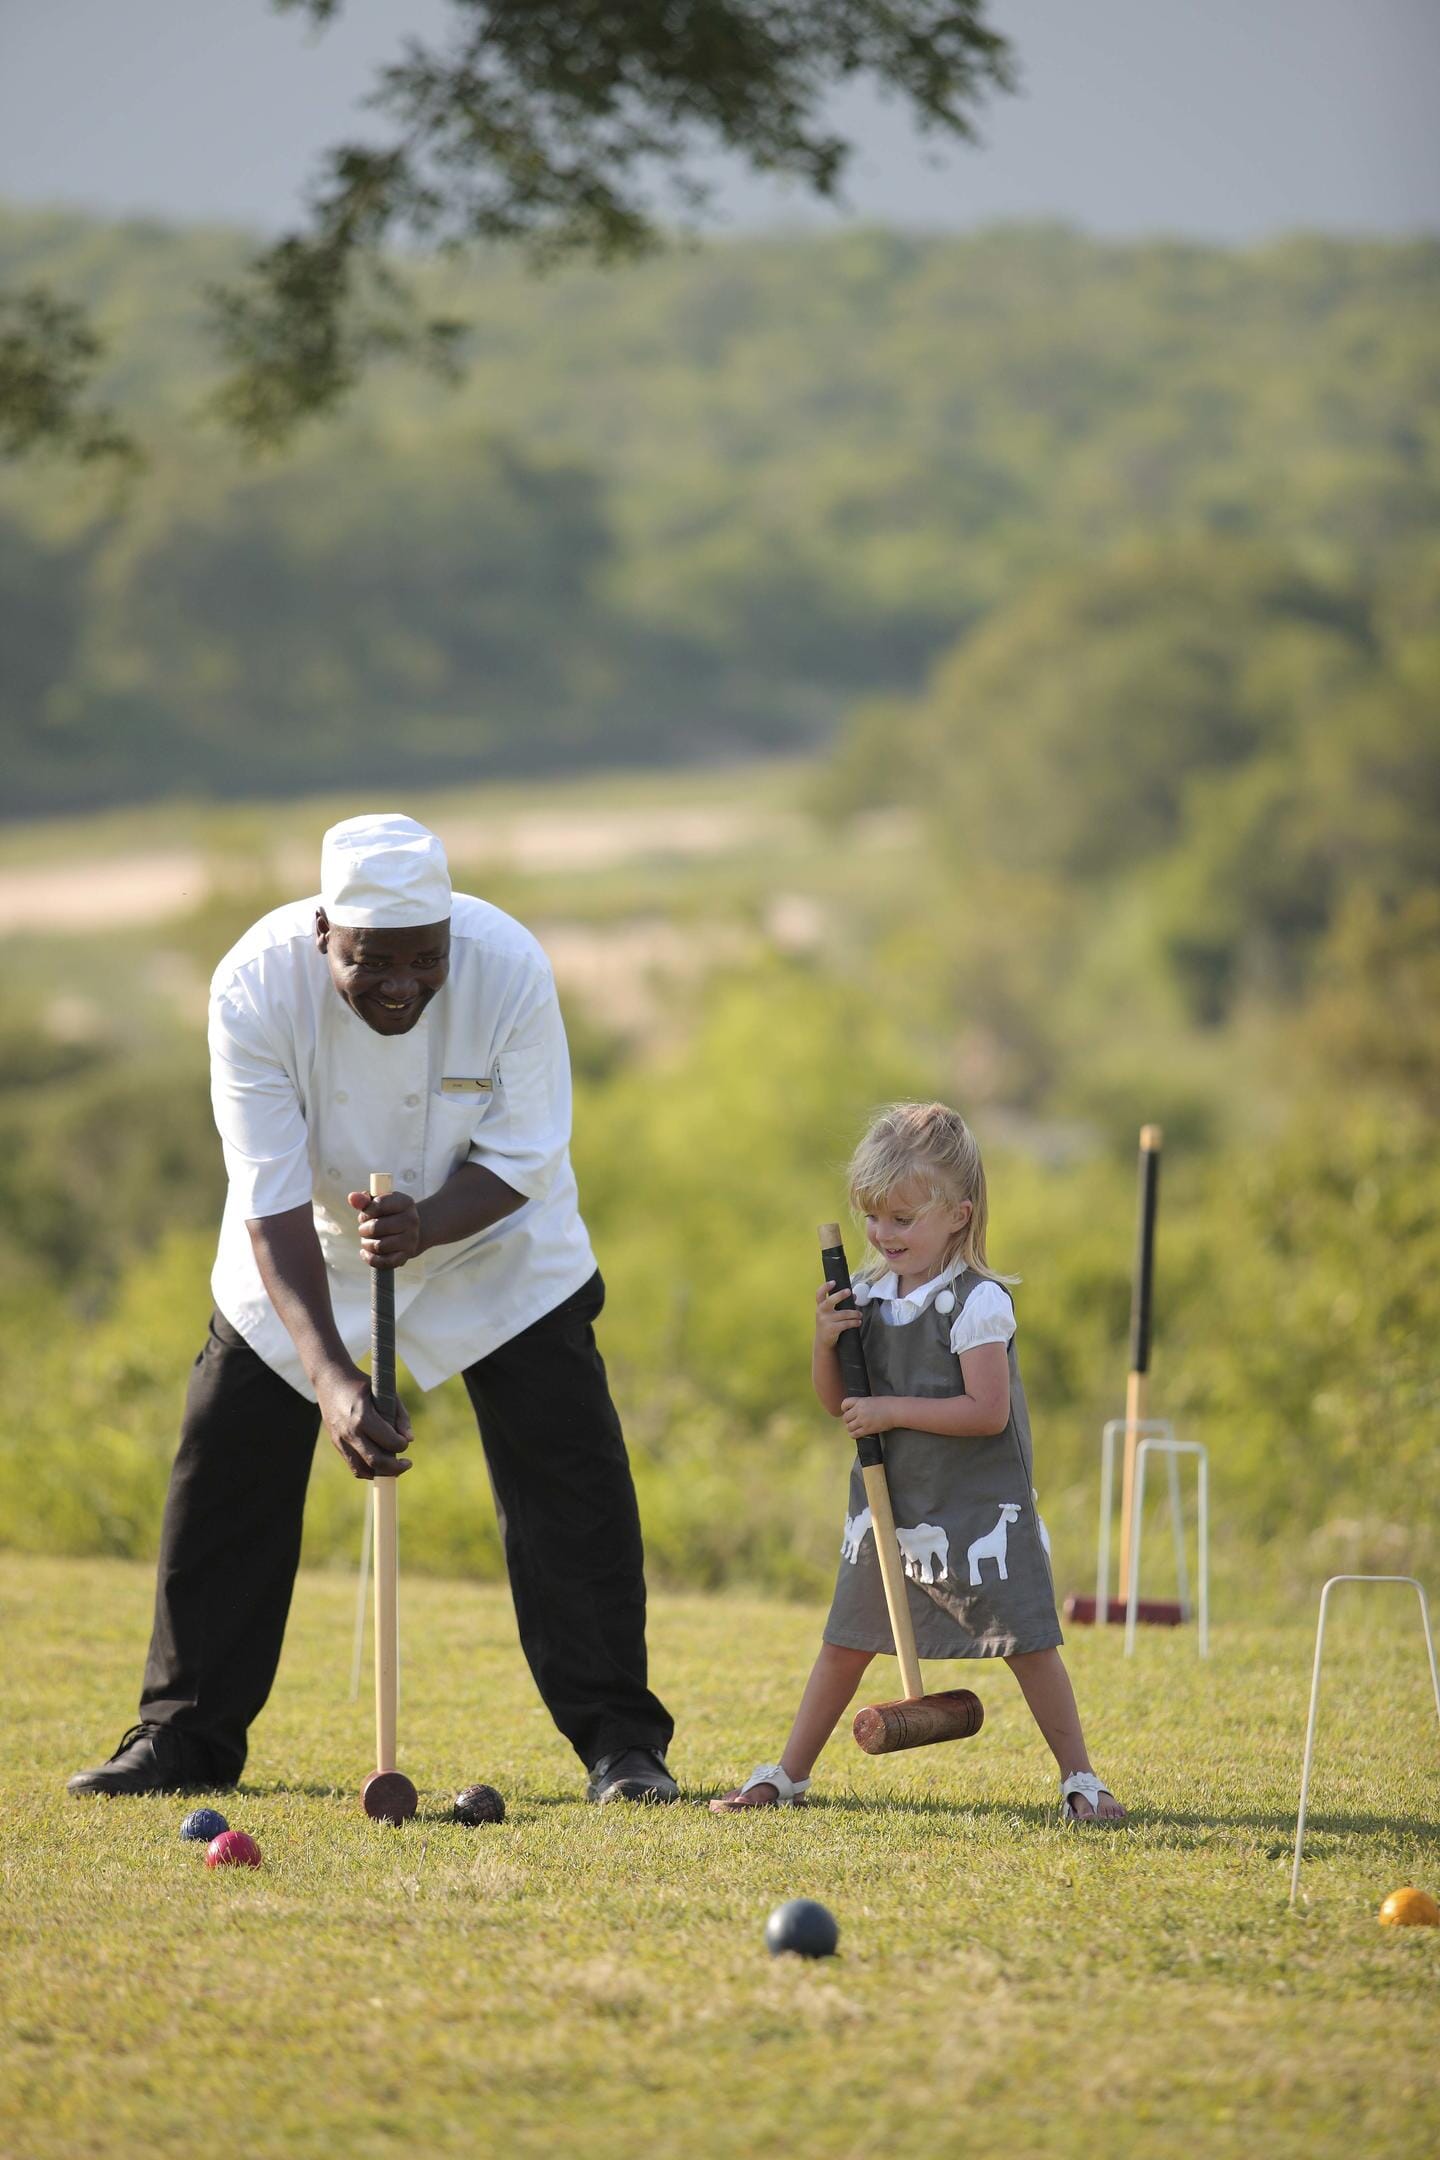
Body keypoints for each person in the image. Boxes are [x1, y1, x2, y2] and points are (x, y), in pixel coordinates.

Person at [69, 813, 676, 1805]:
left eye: (423, 961)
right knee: (224, 1463)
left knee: (571, 1479)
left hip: (493, 1243)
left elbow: (527, 1154)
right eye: (371, 962)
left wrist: (431, 1223)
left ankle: (622, 1745)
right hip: (308, 1253)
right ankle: (183, 1739)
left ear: (449, 935)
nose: (402, 984)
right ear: (323, 936)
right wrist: (331, 1380)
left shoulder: (507, 966)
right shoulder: (253, 987)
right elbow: (266, 1200)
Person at [711, 1101, 1125, 1824]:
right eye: (873, 1216)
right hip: (889, 1506)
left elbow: (986, 1411)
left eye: (903, 1219)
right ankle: (785, 1774)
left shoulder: (977, 1303)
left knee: (1026, 1643)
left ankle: (1081, 1781)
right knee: (844, 1643)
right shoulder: (866, 1295)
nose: (882, 1234)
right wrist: (823, 1340)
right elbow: (837, 1400)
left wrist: (893, 1410)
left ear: (958, 1215)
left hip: (971, 1504)